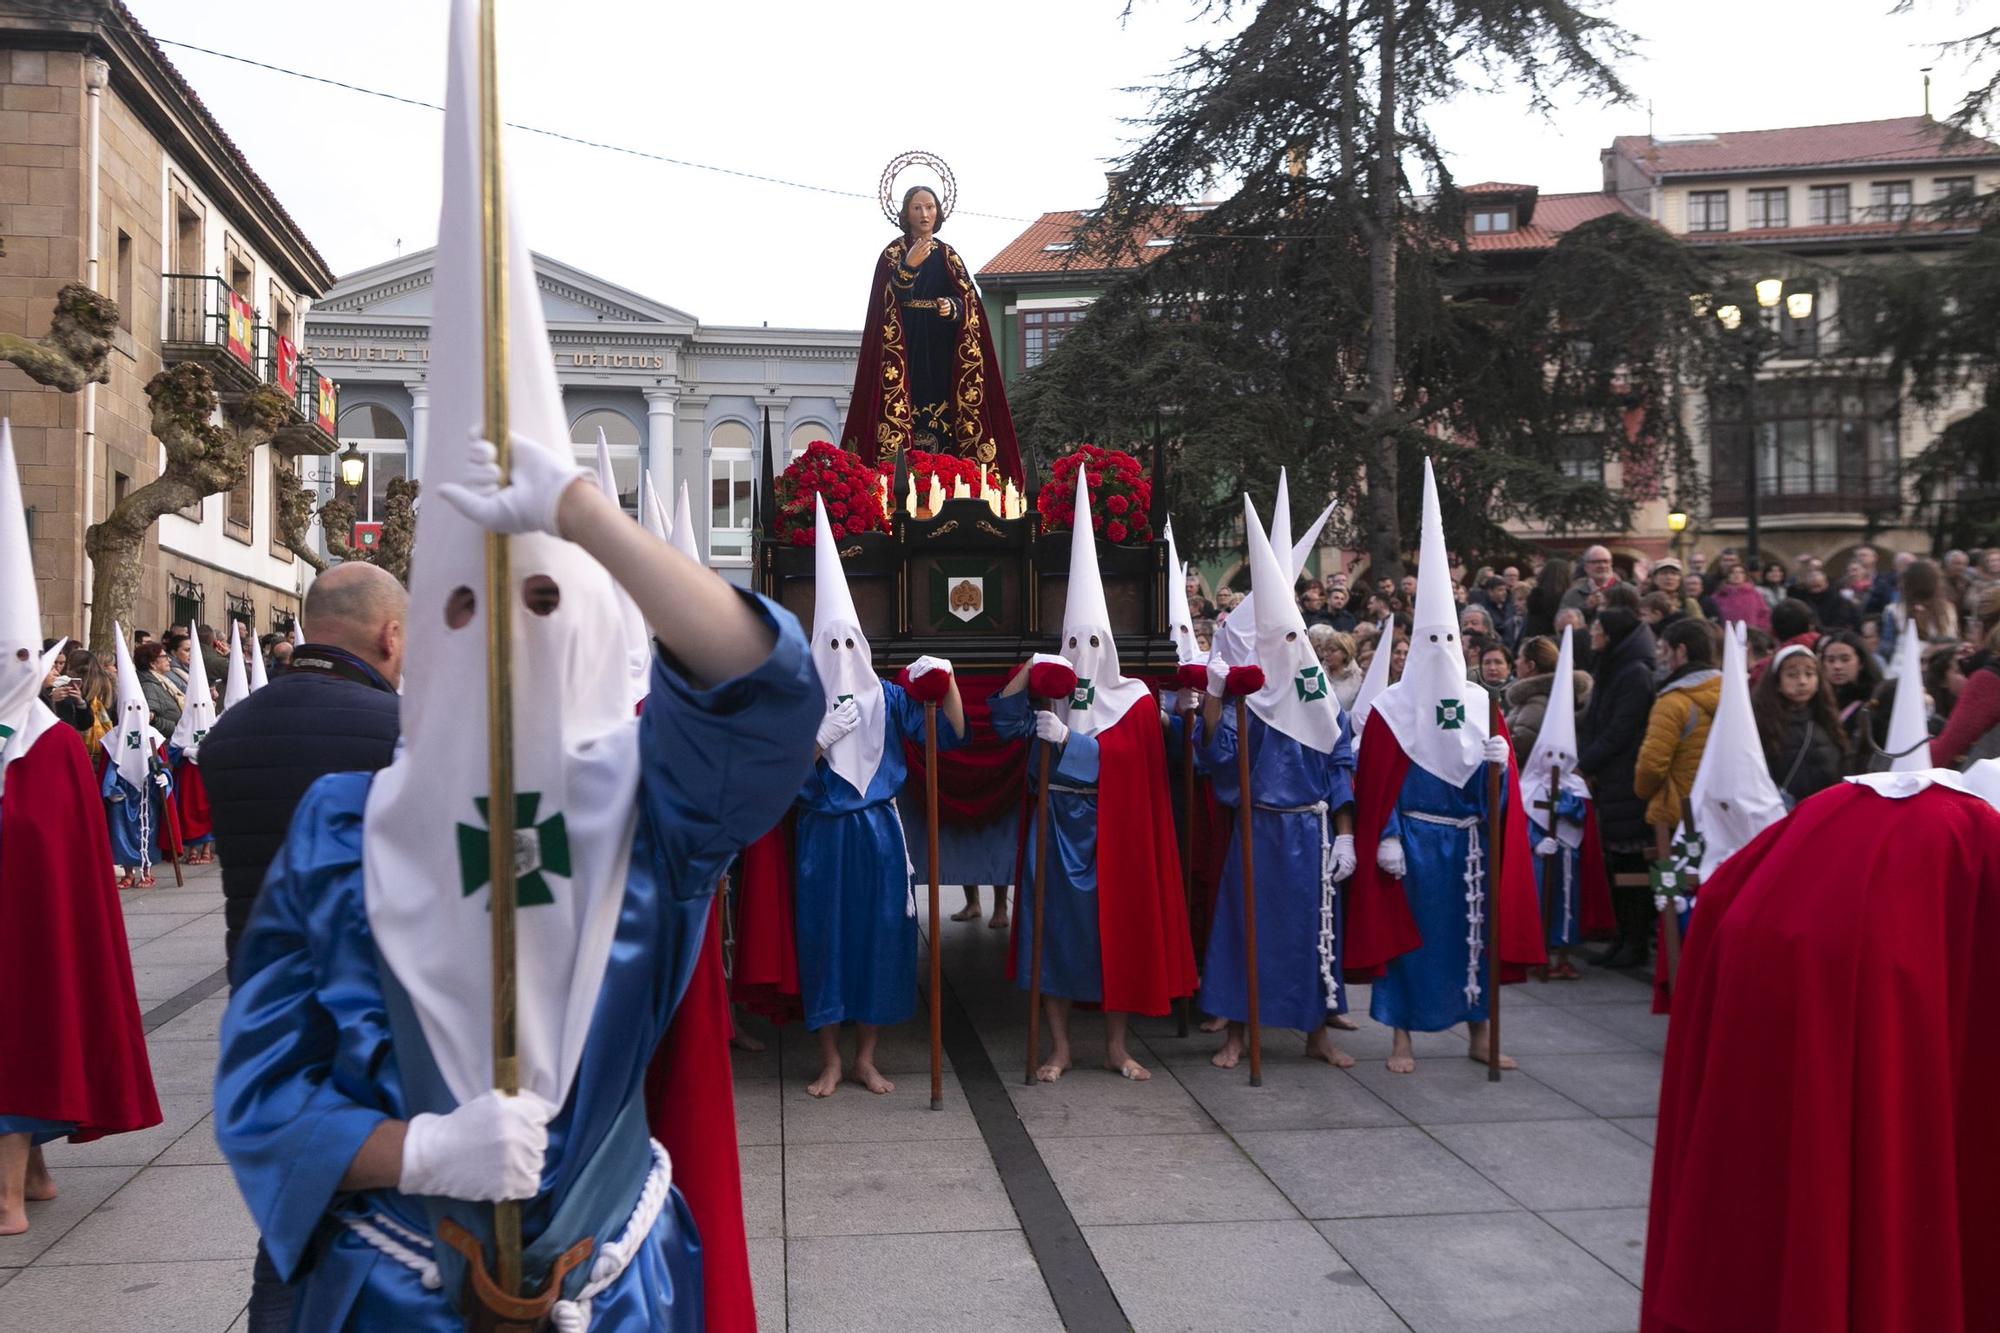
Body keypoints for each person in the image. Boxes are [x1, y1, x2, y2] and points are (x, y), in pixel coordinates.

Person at [213, 49, 816, 1327]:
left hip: (612, 1291)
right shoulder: (340, 829)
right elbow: (262, 1098)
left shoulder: (652, 809)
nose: (501, 646)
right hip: (391, 1298)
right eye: (464, 608)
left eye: (540, 603)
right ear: (411, 644)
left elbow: (766, 691)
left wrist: (582, 516)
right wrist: (412, 1153)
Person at [1642, 764, 2000, 1332]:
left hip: (1767, 974)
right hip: (1859, 984)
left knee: (1783, 1191)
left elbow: (1717, 899)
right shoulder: (1975, 832)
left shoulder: (1844, 805)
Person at [0, 419, 159, 1236]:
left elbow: (64, 853)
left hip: (27, 924)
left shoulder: (56, 746)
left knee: (33, 1014)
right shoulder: (55, 741)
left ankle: (13, 1184)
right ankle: (35, 1168)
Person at [992, 472, 1197, 1083]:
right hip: (1054, 822)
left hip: (1112, 830)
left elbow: (1136, 765)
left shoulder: (1134, 698)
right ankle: (1059, 1047)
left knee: (1119, 937)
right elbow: (1003, 724)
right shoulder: (1050, 688)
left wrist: (1074, 744)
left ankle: (1115, 1045)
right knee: (1054, 936)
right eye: (1072, 639)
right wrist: (1027, 676)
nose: (1081, 649)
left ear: (1107, 645)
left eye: (1091, 640)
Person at [1348, 459, 1542, 1073]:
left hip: (1469, 847)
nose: (1437, 653)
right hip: (1413, 845)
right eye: (1427, 641)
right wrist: (1384, 837)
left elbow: (1503, 795)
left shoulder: (1483, 703)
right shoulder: (1389, 709)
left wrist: (1501, 766)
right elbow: (1374, 784)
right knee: (1412, 944)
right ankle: (1402, 1037)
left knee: (1474, 941)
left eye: (1447, 642)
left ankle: (1480, 1034)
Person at [795, 498, 965, 1097]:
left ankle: (866, 1056)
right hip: (823, 837)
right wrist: (816, 742)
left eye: (850, 643)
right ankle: (831, 1059)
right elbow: (780, 782)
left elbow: (947, 736)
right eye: (830, 644)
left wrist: (947, 686)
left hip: (879, 834)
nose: (842, 655)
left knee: (880, 941)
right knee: (825, 940)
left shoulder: (891, 699)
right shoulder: (801, 705)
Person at [1198, 501, 1358, 1070]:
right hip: (1260, 826)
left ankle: (1317, 1034)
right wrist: (1216, 697)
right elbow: (1217, 755)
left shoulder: (1320, 701)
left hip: (1310, 832)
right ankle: (1237, 1034)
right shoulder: (1251, 702)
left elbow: (1340, 763)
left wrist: (1345, 836)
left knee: (1313, 928)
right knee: (1245, 927)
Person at [839, 182, 1022, 481]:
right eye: (917, 207)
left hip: (943, 349)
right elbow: (888, 297)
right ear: (906, 213)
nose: (925, 214)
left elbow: (970, 302)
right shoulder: (893, 253)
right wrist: (908, 266)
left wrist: (953, 307)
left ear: (939, 212)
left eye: (930, 207)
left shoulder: (949, 256)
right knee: (906, 405)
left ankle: (950, 475)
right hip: (905, 347)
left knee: (946, 411)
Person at [1518, 627, 1610, 981]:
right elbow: (1525, 816)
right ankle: (1538, 951)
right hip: (1541, 854)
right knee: (1540, 902)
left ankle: (1564, 955)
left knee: (1566, 906)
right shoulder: (1531, 784)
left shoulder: (1574, 783)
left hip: (1568, 857)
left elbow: (1580, 814)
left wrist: (1567, 809)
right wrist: (1536, 839)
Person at [1576, 609, 1659, 970]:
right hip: (1611, 780)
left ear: (1611, 634)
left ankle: (1636, 941)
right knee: (1617, 866)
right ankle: (1623, 938)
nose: (1592, 634)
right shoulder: (1614, 667)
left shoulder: (1634, 673)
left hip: (1627, 782)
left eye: (1597, 629)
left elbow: (1620, 729)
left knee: (1632, 865)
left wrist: (1586, 763)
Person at [1634, 620, 1722, 857]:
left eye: (1663, 649)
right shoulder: (1733, 693)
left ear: (1681, 651)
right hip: (1723, 812)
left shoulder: (1673, 702)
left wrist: (1643, 791)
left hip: (1678, 815)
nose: (1660, 658)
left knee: (1677, 887)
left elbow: (1651, 766)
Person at [100, 628, 173, 889]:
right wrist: (111, 788)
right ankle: (128, 872)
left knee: (146, 830)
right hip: (122, 794)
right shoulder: (113, 738)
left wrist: (165, 778)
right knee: (122, 833)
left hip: (146, 794)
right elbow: (109, 767)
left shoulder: (154, 736)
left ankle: (145, 869)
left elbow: (162, 763)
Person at [1752, 645, 1848, 806]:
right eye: (1792, 675)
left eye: (1809, 674)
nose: (1802, 682)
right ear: (1776, 682)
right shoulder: (1763, 724)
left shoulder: (1827, 720)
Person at [1503, 635, 1590, 762]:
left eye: (1520, 658)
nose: (1516, 662)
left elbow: (1522, 744)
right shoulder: (1540, 696)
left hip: (1527, 776)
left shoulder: (1537, 701)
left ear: (1530, 666)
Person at [1819, 630, 1882, 755]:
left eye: (1845, 659)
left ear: (1861, 663)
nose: (1837, 666)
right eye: (1830, 660)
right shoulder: (1817, 700)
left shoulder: (1876, 699)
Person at [1887, 557, 1959, 644]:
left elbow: (1887, 647)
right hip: (1940, 656)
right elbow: (1952, 639)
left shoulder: (1893, 610)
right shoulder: (1948, 609)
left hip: (1905, 656)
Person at [134, 640, 183, 741]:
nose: (169, 660)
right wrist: (178, 729)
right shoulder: (149, 686)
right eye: (164, 657)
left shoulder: (162, 681)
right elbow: (151, 720)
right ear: (152, 663)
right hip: (163, 744)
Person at [1308, 625, 1364, 711]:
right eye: (1325, 650)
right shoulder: (1316, 674)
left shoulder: (1360, 677)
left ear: (1346, 652)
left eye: (1332, 650)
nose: (1326, 654)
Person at [1561, 545, 1626, 616]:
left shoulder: (1625, 590)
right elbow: (1563, 622)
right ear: (1586, 567)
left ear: (1611, 564)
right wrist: (1586, 607)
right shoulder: (1574, 593)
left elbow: (1636, 620)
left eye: (1606, 561)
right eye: (1596, 562)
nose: (1602, 565)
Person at [1709, 562, 1770, 633]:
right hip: (1726, 635)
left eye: (1741, 572)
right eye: (1733, 572)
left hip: (1751, 636)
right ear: (1728, 575)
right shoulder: (1718, 596)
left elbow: (1763, 615)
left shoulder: (1755, 594)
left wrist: (1760, 631)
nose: (1737, 575)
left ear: (1745, 576)